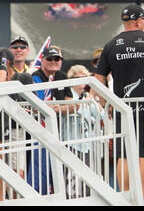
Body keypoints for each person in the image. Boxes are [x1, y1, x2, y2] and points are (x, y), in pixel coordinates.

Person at [94, 3, 144, 201]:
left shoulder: (111, 44)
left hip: (122, 108)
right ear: (139, 21)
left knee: (123, 154)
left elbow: (98, 79)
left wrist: (107, 104)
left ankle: (125, 200)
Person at [30, 45, 74, 195]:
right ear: (43, 60)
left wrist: (55, 109)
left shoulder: (62, 76)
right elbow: (37, 105)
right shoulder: (34, 77)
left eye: (57, 59)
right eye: (50, 58)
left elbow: (72, 105)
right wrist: (58, 108)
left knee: (59, 173)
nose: (54, 61)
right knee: (39, 176)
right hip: (39, 135)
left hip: (61, 134)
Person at [64, 64, 103, 198]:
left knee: (88, 182)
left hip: (87, 146)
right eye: (78, 77)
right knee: (72, 182)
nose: (82, 80)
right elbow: (76, 109)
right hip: (72, 143)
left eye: (84, 77)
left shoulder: (87, 95)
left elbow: (101, 115)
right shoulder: (69, 94)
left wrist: (94, 100)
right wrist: (90, 96)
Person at [0, 48, 33, 200]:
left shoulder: (23, 78)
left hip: (15, 131)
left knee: (17, 172)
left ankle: (16, 201)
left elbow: (32, 102)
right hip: (2, 131)